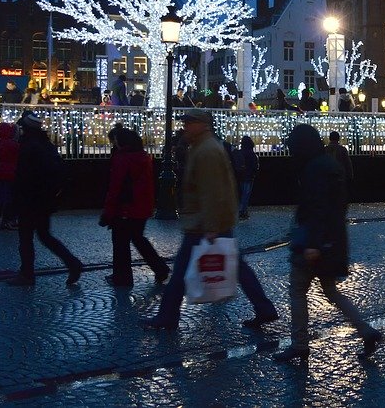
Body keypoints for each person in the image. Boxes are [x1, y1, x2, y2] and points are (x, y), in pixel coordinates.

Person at [143, 110, 277, 331]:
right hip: (208, 221)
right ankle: (264, 308)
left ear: (202, 125)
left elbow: (213, 191)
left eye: (189, 123)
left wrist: (212, 226)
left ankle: (167, 316)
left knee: (181, 271)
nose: (184, 127)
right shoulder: (204, 146)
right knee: (235, 267)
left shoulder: (206, 151)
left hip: (203, 223)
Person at [273, 124, 383, 363]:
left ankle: (300, 344)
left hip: (315, 243)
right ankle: (366, 331)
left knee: (298, 292)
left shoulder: (313, 169)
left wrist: (313, 243)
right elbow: (335, 207)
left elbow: (318, 208)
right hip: (331, 241)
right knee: (331, 291)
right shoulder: (328, 165)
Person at [8, 111, 83, 286]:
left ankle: (27, 274)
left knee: (26, 238)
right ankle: (72, 263)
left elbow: (25, 176)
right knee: (45, 236)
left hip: (30, 199)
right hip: (44, 200)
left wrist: (18, 197)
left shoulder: (29, 146)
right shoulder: (46, 144)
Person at [101, 127, 170, 286]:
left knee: (120, 243)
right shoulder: (144, 157)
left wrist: (108, 210)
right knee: (138, 238)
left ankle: (122, 277)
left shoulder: (122, 159)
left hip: (125, 207)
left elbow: (115, 186)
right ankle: (160, 268)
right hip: (142, 205)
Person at [0, 121, 19, 230]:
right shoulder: (13, 144)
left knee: (0, 196)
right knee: (8, 197)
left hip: (0, 172)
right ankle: (6, 220)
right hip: (11, 172)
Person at [232, 135, 259, 220]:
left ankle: (241, 210)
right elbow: (254, 165)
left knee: (241, 194)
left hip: (240, 176)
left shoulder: (239, 153)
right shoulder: (251, 153)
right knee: (246, 194)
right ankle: (243, 211)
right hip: (249, 176)